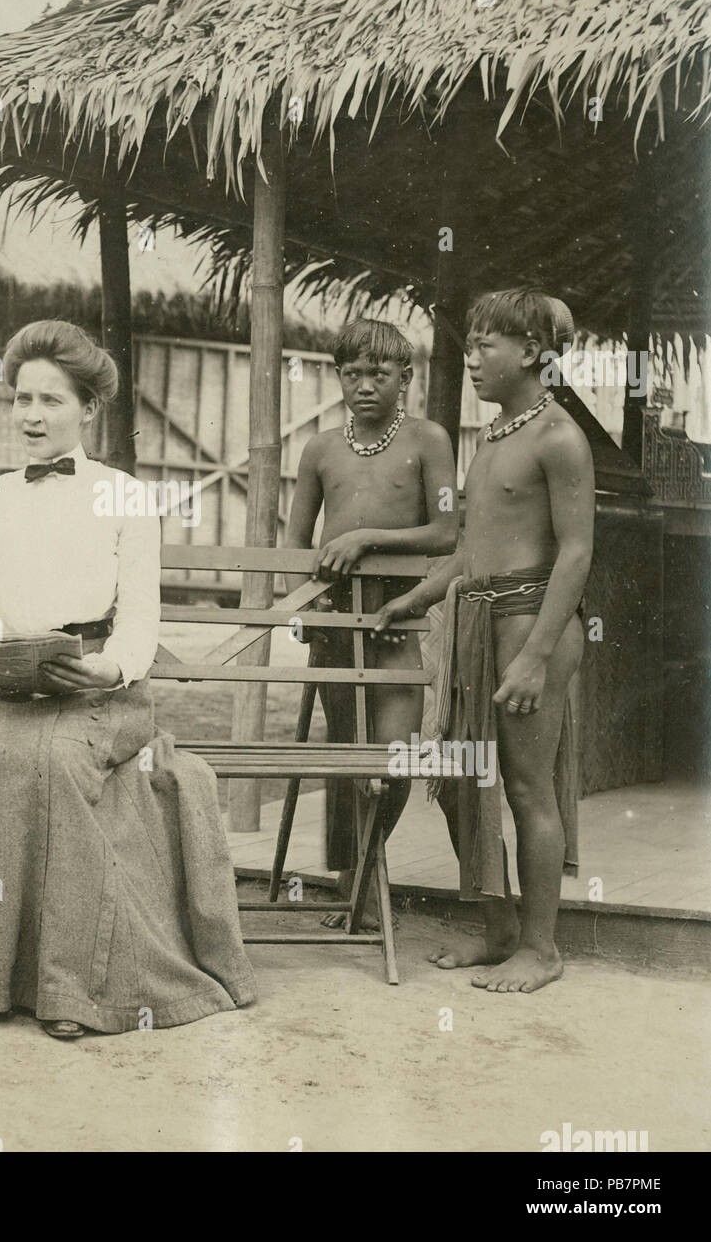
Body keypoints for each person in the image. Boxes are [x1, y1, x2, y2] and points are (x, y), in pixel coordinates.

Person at [0, 319, 256, 1039]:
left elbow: (140, 620)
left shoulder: (124, 496)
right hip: (14, 686)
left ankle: (68, 985)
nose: (32, 417)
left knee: (52, 767)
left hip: (101, 689)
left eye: (51, 401)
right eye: (22, 400)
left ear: (87, 409)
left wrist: (106, 667)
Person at [375, 288, 594, 993]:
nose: (469, 359)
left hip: (532, 623)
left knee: (528, 789)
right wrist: (413, 596)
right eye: (468, 345)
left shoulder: (558, 436)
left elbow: (575, 553)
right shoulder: (494, 435)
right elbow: (470, 548)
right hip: (476, 621)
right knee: (461, 786)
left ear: (530, 351)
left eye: (483, 346)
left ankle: (540, 946)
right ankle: (498, 927)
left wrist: (534, 656)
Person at [285, 319, 457, 926]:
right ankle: (357, 882)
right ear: (338, 376)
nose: (364, 385)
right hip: (337, 623)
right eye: (352, 373)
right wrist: (303, 604)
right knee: (349, 755)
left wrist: (366, 537)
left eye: (378, 373)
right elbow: (294, 543)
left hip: (399, 621)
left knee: (396, 757)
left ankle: (365, 871)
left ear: (405, 377)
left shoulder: (429, 440)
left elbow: (446, 531)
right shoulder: (320, 449)